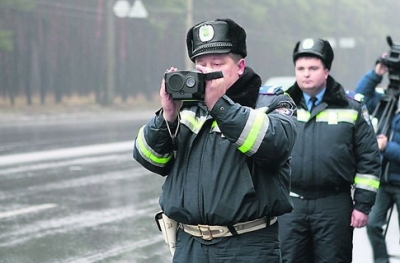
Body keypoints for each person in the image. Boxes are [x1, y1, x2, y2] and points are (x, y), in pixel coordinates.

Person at [133, 18, 298, 262]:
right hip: (190, 245)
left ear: (240, 67)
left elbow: (275, 145)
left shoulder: (271, 103)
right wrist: (167, 115)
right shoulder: (187, 108)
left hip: (247, 245)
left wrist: (220, 106)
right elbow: (150, 159)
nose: (207, 71)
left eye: (217, 64)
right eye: (201, 64)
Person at [279, 38, 381, 263]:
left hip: (333, 205)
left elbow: (368, 158)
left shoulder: (351, 106)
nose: (306, 74)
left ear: (326, 71)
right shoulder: (282, 106)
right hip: (290, 206)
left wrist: (363, 206)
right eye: (301, 68)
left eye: (313, 68)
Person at [355, 55, 400, 263]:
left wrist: (386, 147)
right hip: (382, 180)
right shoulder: (386, 100)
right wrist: (377, 73)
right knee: (373, 224)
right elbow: (359, 97)